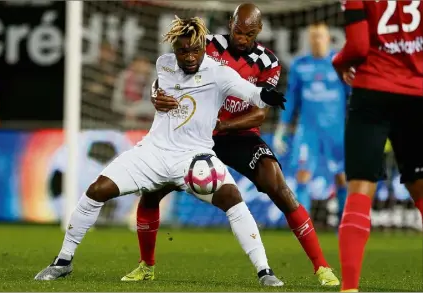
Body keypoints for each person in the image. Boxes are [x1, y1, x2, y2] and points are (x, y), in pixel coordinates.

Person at [34, 15, 287, 287]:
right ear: (173, 50)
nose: (189, 56)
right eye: (182, 50)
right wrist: (156, 94)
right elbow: (163, 87)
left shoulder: (221, 73)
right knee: (96, 191)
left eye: (195, 50)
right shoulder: (164, 64)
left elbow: (250, 92)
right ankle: (63, 261)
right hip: (152, 152)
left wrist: (267, 96)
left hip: (195, 157)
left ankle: (264, 271)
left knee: (233, 199)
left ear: (204, 47)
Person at [122, 3, 339, 287]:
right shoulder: (207, 45)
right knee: (151, 193)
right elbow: (168, 73)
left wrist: (222, 126)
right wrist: (154, 94)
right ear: (230, 24)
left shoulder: (267, 62)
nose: (242, 37)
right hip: (194, 134)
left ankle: (322, 267)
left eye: (249, 34)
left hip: (238, 134)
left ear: (258, 31)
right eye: (238, 31)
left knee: (280, 187)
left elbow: (261, 111)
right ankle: (146, 266)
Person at [332, 1, 423, 291]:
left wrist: (339, 62)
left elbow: (358, 47)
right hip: (416, 95)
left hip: (372, 92)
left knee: (360, 188)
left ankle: (350, 287)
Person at [273, 22, 350, 223]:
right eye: (313, 37)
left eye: (320, 36)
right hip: (308, 131)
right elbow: (291, 99)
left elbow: (353, 95)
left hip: (337, 131)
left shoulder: (339, 62)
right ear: (309, 40)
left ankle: (345, 223)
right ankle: (303, 224)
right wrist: (282, 127)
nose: (317, 40)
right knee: (303, 174)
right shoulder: (300, 65)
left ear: (328, 39)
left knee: (342, 177)